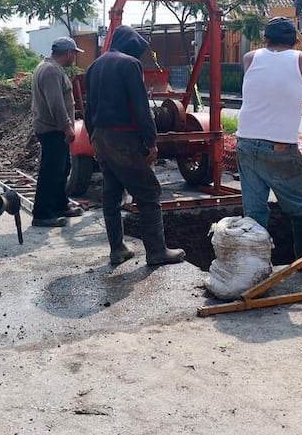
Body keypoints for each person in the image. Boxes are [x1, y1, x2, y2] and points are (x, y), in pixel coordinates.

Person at [236, 17, 302, 269]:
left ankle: (255, 264)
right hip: (280, 149)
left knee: (254, 210)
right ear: (296, 40)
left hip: (246, 143)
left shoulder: (250, 58)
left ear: (265, 39)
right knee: (299, 208)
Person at [84, 25, 185, 265]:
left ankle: (117, 249)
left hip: (100, 136)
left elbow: (89, 108)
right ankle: (157, 252)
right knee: (149, 192)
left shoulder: (95, 66)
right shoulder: (129, 65)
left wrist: (92, 138)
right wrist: (151, 141)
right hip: (123, 138)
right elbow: (141, 108)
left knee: (112, 193)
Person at [29, 36, 85, 227]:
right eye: (74, 54)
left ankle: (60, 204)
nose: (74, 58)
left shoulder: (48, 67)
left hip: (52, 128)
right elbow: (56, 103)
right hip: (52, 129)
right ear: (68, 53)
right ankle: (42, 214)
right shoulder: (52, 71)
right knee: (51, 171)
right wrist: (67, 126)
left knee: (62, 168)